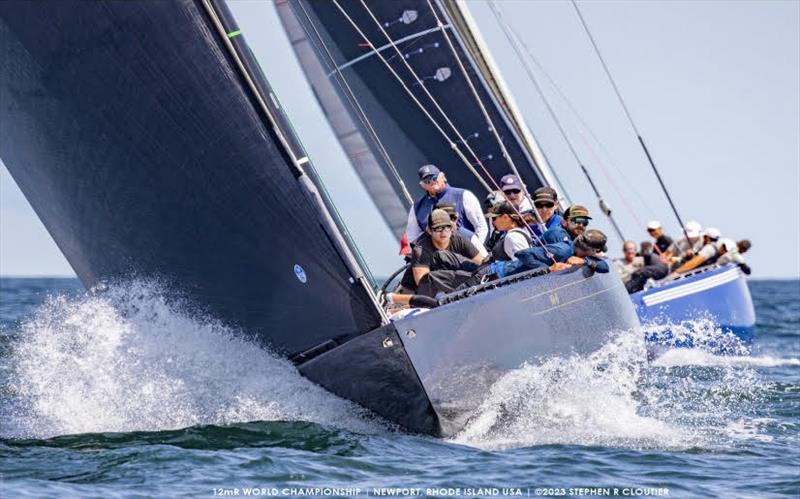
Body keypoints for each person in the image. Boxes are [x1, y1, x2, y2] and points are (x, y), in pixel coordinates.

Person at [390, 209, 484, 301]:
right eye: (438, 228)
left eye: (447, 227)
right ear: (430, 231)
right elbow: (424, 285)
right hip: (414, 292)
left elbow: (483, 265)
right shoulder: (421, 249)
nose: (443, 232)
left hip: (451, 288)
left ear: (452, 228)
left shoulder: (459, 240)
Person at [405, 164, 487, 247]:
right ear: (422, 185)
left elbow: (481, 227)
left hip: (468, 254)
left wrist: (476, 251)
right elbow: (412, 237)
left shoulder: (464, 195)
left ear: (443, 177)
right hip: (439, 257)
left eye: (434, 178)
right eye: (427, 181)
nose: (432, 182)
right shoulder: (416, 208)